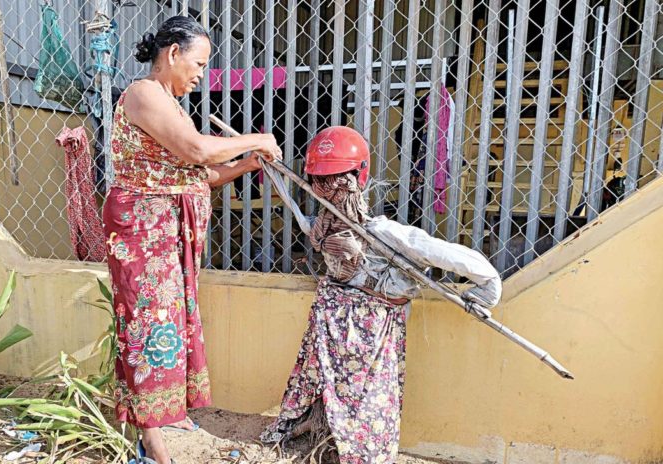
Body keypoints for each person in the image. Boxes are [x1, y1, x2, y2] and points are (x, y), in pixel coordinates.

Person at [261, 126, 501, 463]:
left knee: (364, 392)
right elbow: (298, 212)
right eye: (320, 181)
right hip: (334, 328)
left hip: (366, 334)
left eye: (334, 181)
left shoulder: (379, 233)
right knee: (335, 385)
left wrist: (487, 287)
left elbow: (441, 252)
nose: (328, 190)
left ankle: (350, 446)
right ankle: (321, 432)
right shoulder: (323, 226)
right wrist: (270, 168)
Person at [102, 15, 282, 464]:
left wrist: (246, 164)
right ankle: (154, 444)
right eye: (198, 63)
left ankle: (164, 419)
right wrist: (254, 139)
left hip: (165, 237)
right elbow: (198, 150)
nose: (202, 73)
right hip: (143, 234)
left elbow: (196, 174)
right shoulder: (144, 94)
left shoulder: (169, 102)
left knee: (167, 329)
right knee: (148, 332)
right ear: (173, 53)